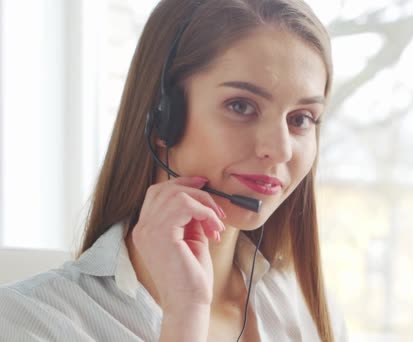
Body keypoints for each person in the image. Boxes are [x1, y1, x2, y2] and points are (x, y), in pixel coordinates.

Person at [0, 0, 348, 341]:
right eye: (241, 106)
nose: (280, 149)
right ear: (162, 117)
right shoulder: (27, 322)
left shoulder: (310, 310)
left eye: (301, 119)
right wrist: (185, 318)